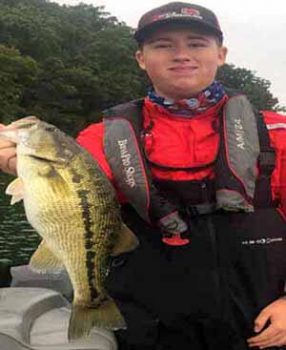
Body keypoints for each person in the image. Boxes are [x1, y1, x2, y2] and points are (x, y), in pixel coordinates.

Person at [1, 2, 286, 349]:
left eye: (196, 43)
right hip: (149, 327)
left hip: (263, 325)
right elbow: (73, 194)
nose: (181, 55)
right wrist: (22, 166)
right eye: (163, 45)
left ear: (221, 54)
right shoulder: (100, 137)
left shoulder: (276, 131)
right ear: (140, 58)